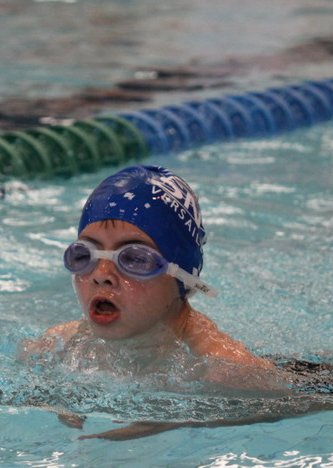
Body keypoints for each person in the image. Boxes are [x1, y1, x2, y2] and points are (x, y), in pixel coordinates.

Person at [20, 164, 294, 392]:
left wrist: (176, 419)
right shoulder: (52, 348)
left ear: (182, 276)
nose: (101, 276)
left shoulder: (230, 373)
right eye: (84, 255)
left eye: (135, 259)